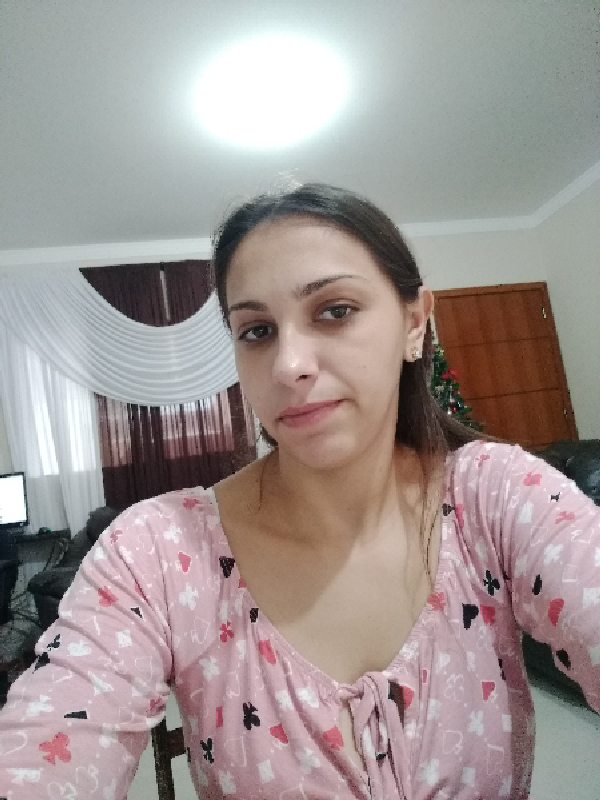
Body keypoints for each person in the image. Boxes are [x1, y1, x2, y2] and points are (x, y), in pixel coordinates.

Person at [0, 183, 598, 800]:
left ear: (414, 324)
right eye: (257, 330)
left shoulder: (497, 496)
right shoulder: (157, 551)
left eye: (334, 311)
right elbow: (51, 741)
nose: (288, 365)